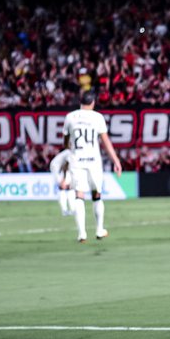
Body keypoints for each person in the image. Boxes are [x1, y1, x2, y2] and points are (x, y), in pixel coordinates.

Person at [63, 92, 122, 242]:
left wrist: (69, 153)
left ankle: (81, 233)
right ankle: (99, 230)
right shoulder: (98, 117)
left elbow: (65, 141)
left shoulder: (70, 117)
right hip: (93, 161)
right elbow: (105, 141)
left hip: (77, 159)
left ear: (80, 102)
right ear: (93, 103)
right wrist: (116, 160)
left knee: (79, 195)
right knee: (97, 194)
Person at [49, 148, 76, 216]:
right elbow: (66, 165)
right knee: (64, 188)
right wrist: (63, 179)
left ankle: (70, 209)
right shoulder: (70, 153)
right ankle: (65, 210)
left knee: (69, 188)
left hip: (59, 168)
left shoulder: (70, 152)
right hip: (58, 169)